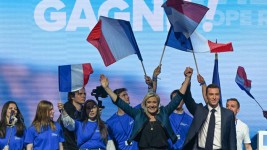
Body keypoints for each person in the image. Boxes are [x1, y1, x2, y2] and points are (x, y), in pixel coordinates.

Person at [100, 67, 192, 150]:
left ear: (158, 103)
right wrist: (107, 88)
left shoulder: (164, 112)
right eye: (149, 102)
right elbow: (120, 102)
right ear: (145, 104)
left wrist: (187, 78)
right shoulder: (138, 114)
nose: (152, 105)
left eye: (154, 102)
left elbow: (178, 98)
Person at [182, 81, 237, 150]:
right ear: (206, 95)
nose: (214, 97)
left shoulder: (228, 114)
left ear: (219, 96)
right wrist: (188, 79)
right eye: (211, 94)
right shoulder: (199, 111)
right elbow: (188, 99)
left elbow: (232, 140)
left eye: (216, 94)